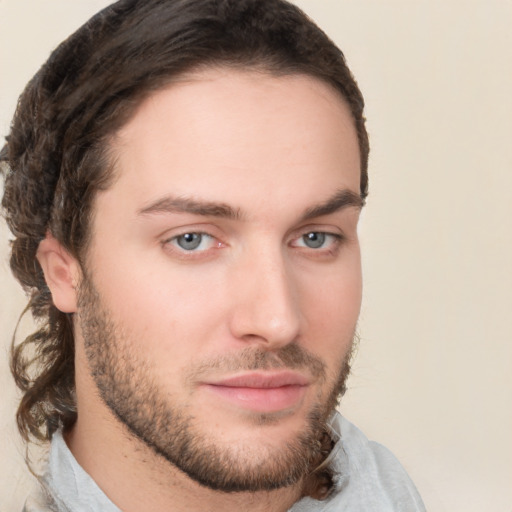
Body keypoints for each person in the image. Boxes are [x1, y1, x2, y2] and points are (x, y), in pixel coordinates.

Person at [0, 0, 426, 510]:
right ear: (64, 273)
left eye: (316, 237)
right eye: (192, 239)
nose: (278, 321)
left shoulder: (387, 487)